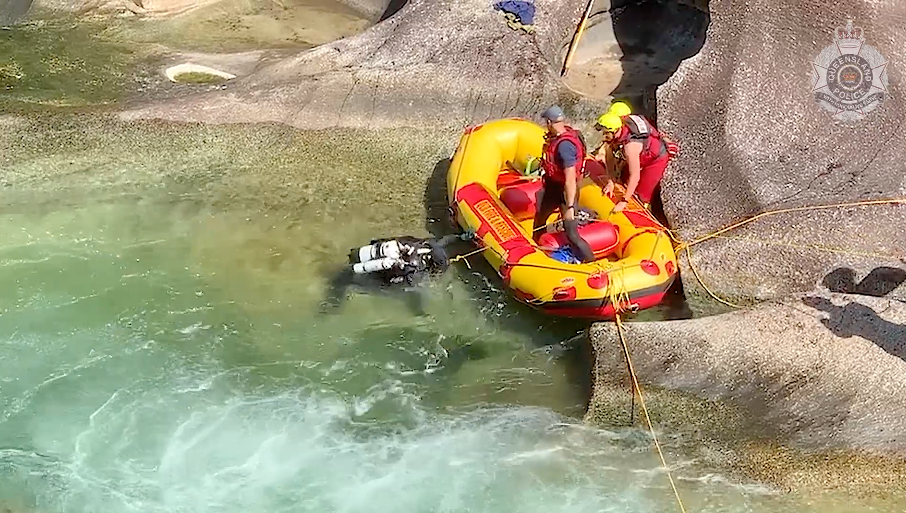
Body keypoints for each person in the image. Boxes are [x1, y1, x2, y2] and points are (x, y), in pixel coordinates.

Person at [320, 232, 472, 315]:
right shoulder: (416, 273)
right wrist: (419, 312)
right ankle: (331, 305)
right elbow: (412, 292)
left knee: (345, 274)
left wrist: (461, 237)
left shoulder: (423, 244)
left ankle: (334, 277)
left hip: (367, 252)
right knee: (361, 285)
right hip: (375, 274)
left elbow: (444, 240)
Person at [532, 106, 595, 263]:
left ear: (548, 122)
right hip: (552, 188)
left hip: (565, 192)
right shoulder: (561, 135)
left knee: (571, 232)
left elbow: (570, 178)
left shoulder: (565, 147)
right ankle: (537, 251)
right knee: (540, 218)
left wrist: (571, 205)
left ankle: (591, 262)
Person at [594, 111, 677, 212]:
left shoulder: (630, 147)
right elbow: (609, 157)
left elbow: (635, 175)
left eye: (605, 133)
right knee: (623, 179)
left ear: (614, 131)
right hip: (641, 154)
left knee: (641, 194)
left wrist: (624, 201)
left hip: (655, 160)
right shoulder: (615, 136)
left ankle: (644, 210)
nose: (603, 137)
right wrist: (610, 181)